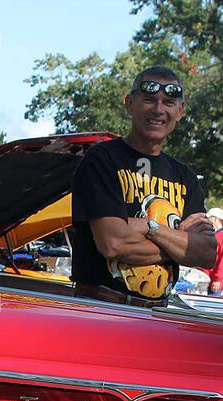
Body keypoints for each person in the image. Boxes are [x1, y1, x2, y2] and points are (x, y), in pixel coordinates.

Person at [70, 66, 215, 303]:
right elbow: (113, 243)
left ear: (180, 111)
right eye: (149, 99)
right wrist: (179, 245)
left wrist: (150, 227)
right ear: (129, 104)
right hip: (102, 309)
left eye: (168, 102)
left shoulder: (184, 176)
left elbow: (205, 253)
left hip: (158, 314)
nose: (158, 109)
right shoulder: (102, 160)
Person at [204, 207, 223, 295]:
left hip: (213, 284)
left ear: (215, 219)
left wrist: (218, 279)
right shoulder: (212, 234)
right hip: (204, 280)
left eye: (208, 218)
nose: (206, 220)